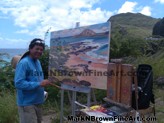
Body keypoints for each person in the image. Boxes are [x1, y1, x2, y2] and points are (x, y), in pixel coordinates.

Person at [14, 38, 51, 123]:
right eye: (37, 49)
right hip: (27, 104)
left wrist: (44, 83)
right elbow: (18, 83)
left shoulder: (38, 62)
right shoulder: (24, 63)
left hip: (38, 101)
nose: (39, 51)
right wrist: (39, 84)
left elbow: (37, 79)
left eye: (41, 50)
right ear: (30, 49)